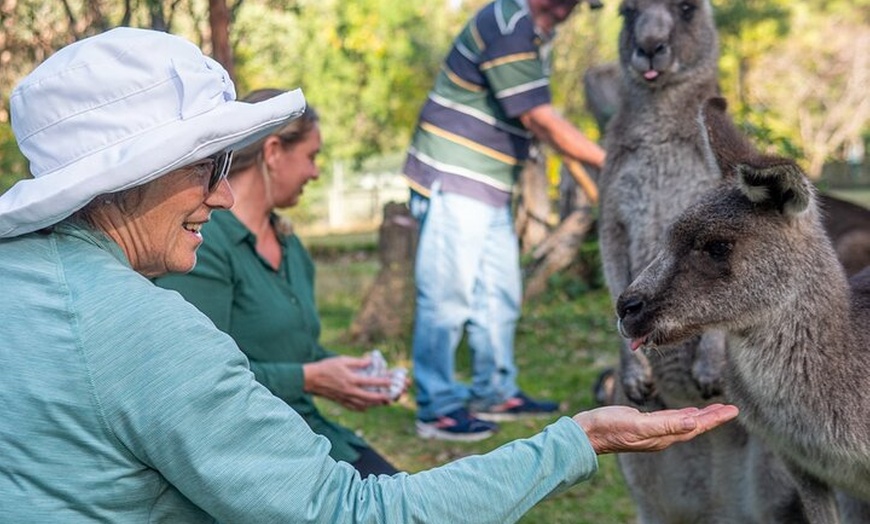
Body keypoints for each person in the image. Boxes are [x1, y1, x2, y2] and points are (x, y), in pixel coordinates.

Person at [0, 27, 739, 522]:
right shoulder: (145, 331)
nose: (224, 194)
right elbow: (354, 514)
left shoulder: (23, 277)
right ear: (129, 176)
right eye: (207, 167)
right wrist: (577, 440)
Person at [155, 91, 402, 476]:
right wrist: (311, 378)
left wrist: (350, 376)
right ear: (273, 152)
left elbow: (292, 349)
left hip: (313, 435)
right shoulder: (204, 246)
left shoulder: (291, 247)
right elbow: (199, 378)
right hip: (255, 452)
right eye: (311, 156)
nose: (316, 172)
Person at [404, 0, 608, 440]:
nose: (570, 14)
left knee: (499, 295)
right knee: (447, 297)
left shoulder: (534, 32)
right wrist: (608, 162)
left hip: (491, 185)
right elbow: (538, 117)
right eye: (565, 6)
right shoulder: (509, 23)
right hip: (455, 173)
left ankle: (495, 392)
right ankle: (436, 408)